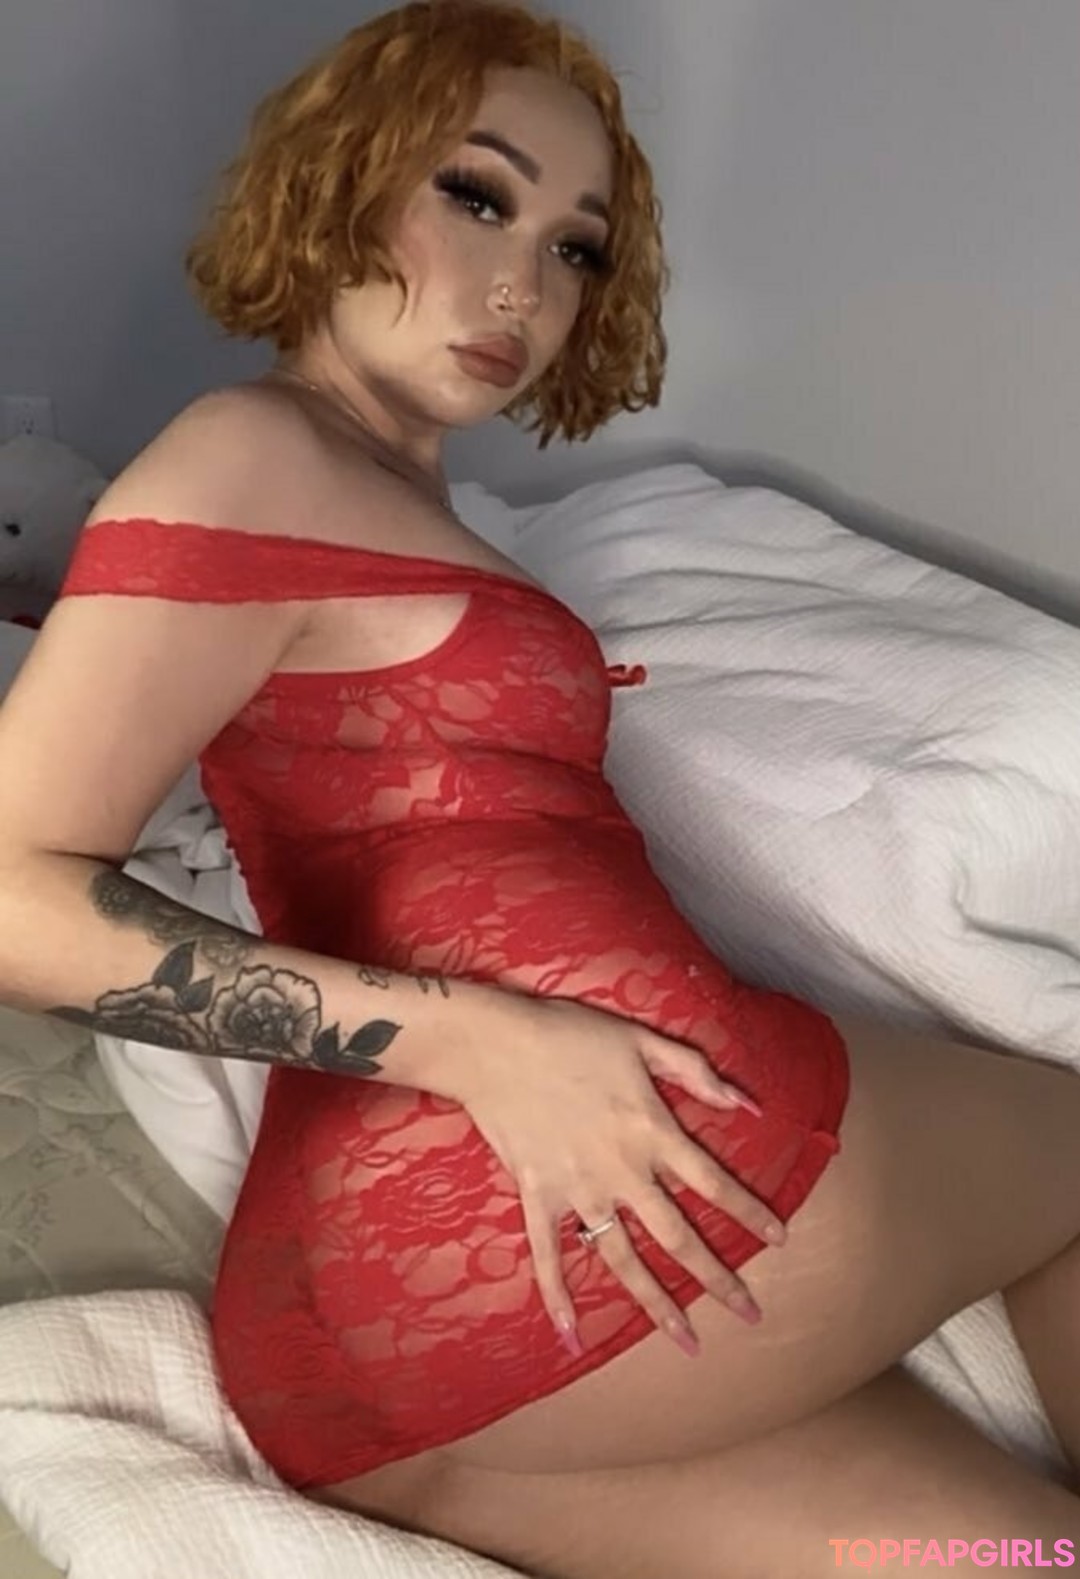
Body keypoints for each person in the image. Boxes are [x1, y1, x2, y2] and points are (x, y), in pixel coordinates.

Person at [0, 1, 1078, 1573]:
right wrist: (482, 1041)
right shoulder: (249, 453)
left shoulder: (384, 500)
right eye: (477, 195)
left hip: (364, 1361)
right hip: (608, 1192)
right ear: (335, 181)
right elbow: (14, 901)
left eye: (576, 247)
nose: (526, 286)